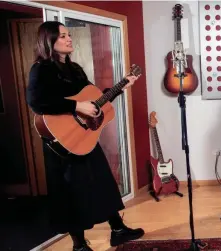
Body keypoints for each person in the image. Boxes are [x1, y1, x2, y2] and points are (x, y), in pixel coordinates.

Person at [26, 21, 144, 251]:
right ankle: (79, 245)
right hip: (61, 143)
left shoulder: (75, 69)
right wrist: (75, 107)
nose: (69, 39)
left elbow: (96, 99)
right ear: (49, 41)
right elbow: (36, 102)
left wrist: (121, 86)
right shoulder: (41, 69)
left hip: (84, 137)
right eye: (62, 36)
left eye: (68, 35)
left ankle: (118, 230)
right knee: (71, 194)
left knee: (103, 182)